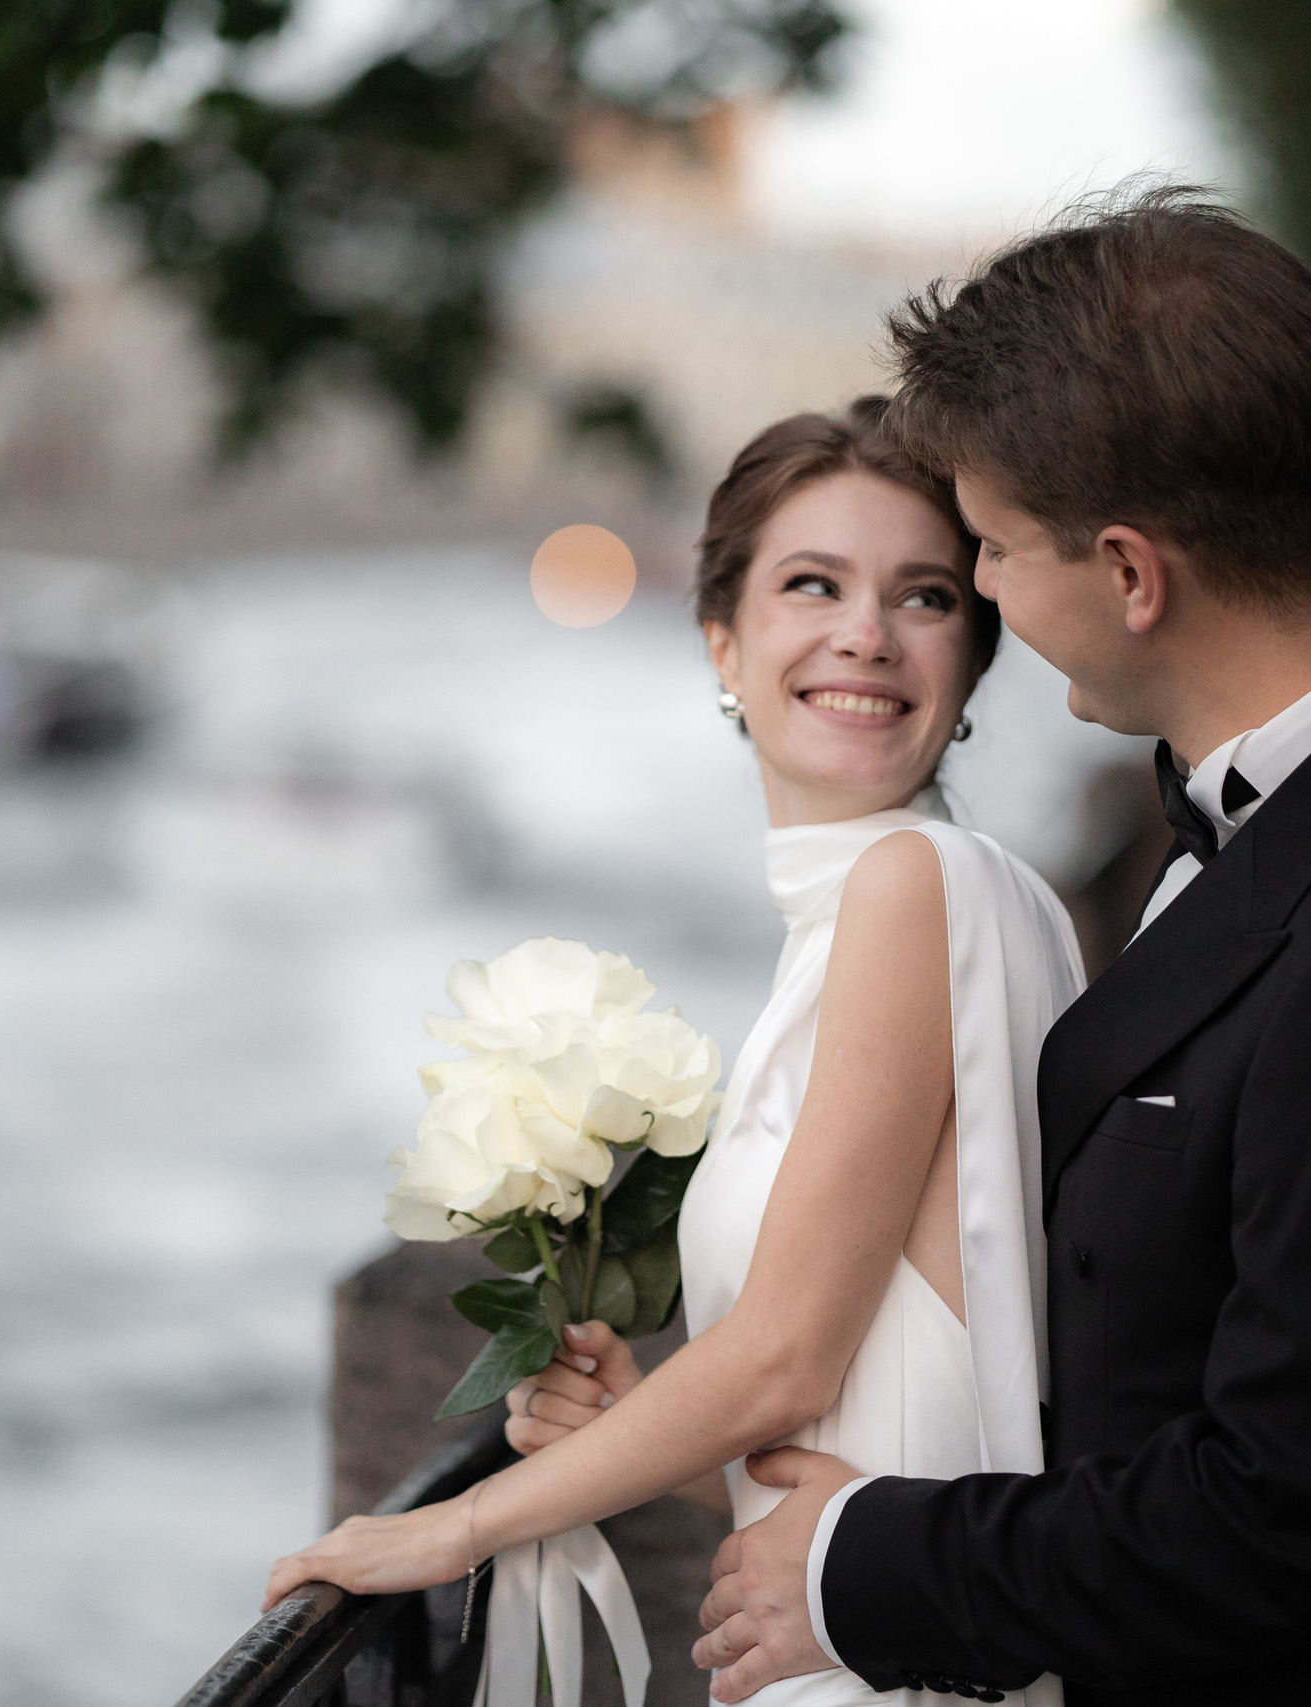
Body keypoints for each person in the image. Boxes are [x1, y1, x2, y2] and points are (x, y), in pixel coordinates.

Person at [691, 187, 1311, 1706]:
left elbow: (1289, 1513)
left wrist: (862, 1566)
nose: (985, 593)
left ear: (1133, 573)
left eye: (991, 550)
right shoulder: (1298, 817)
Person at [261, 397, 1087, 1707]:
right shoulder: (943, 906)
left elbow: (784, 1358)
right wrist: (646, 1420)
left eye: (923, 596)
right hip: (870, 1626)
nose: (863, 632)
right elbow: (895, 1397)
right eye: (813, 583)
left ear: (971, 659)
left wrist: (453, 1527)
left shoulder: (913, 889)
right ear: (724, 642)